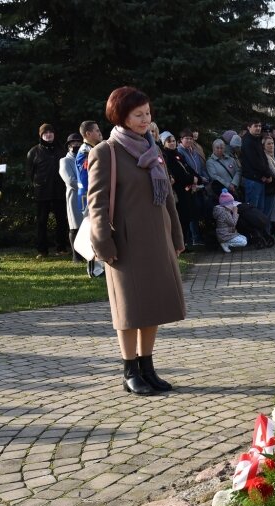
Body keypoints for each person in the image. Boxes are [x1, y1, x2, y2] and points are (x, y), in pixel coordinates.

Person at [87, 86, 185, 395]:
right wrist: (103, 244)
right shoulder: (106, 151)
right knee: (129, 310)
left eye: (148, 113)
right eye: (138, 115)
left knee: (152, 306)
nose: (146, 120)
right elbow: (97, 203)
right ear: (122, 116)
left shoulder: (152, 149)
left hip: (157, 239)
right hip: (125, 244)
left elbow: (167, 197)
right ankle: (129, 369)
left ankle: (147, 366)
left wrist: (176, 234)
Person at [26, 123, 68, 258]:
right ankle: (42, 250)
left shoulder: (62, 150)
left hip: (60, 191)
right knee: (41, 222)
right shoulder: (33, 152)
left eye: (50, 132)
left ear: (54, 134)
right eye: (45, 133)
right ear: (41, 135)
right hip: (42, 193)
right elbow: (30, 173)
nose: (48, 135)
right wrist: (37, 185)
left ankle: (61, 248)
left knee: (61, 221)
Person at [59, 133, 84, 262]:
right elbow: (70, 181)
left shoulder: (85, 158)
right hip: (74, 197)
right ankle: (76, 256)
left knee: (86, 226)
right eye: (73, 144)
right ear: (69, 146)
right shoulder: (64, 161)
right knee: (75, 226)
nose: (76, 146)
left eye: (79, 143)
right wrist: (86, 186)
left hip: (87, 197)